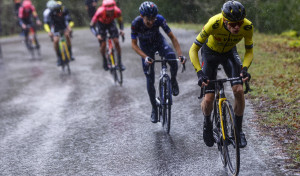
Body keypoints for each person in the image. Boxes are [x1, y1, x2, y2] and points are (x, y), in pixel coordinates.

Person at [189, 0, 253, 148]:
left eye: (239, 23)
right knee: (209, 98)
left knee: (238, 90)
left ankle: (238, 131)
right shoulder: (214, 23)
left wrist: (245, 68)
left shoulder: (247, 26)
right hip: (209, 54)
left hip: (229, 54)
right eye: (232, 24)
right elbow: (193, 49)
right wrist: (199, 73)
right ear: (224, 20)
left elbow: (249, 50)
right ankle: (207, 122)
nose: (237, 27)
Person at [131, 1, 186, 123]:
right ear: (141, 16)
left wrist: (180, 55)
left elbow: (172, 37)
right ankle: (154, 108)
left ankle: (173, 80)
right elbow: (134, 45)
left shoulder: (159, 19)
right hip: (146, 50)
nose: (151, 22)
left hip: (159, 43)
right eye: (148, 19)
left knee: (171, 57)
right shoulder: (136, 23)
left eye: (153, 18)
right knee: (150, 79)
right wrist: (145, 57)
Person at [90, 0, 125, 71]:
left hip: (111, 23)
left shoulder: (117, 11)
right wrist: (97, 35)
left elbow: (120, 22)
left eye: (112, 10)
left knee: (116, 41)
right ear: (105, 9)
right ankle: (104, 61)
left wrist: (121, 29)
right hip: (101, 24)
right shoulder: (99, 12)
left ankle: (120, 63)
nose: (111, 12)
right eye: (109, 11)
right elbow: (91, 26)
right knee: (103, 44)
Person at [45, 1, 75, 66]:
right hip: (56, 27)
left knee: (67, 36)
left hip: (64, 26)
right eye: (58, 13)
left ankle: (70, 53)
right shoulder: (51, 13)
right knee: (55, 41)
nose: (60, 14)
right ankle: (58, 57)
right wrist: (49, 32)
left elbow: (70, 21)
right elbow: (47, 24)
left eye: (61, 13)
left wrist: (69, 27)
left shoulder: (64, 11)